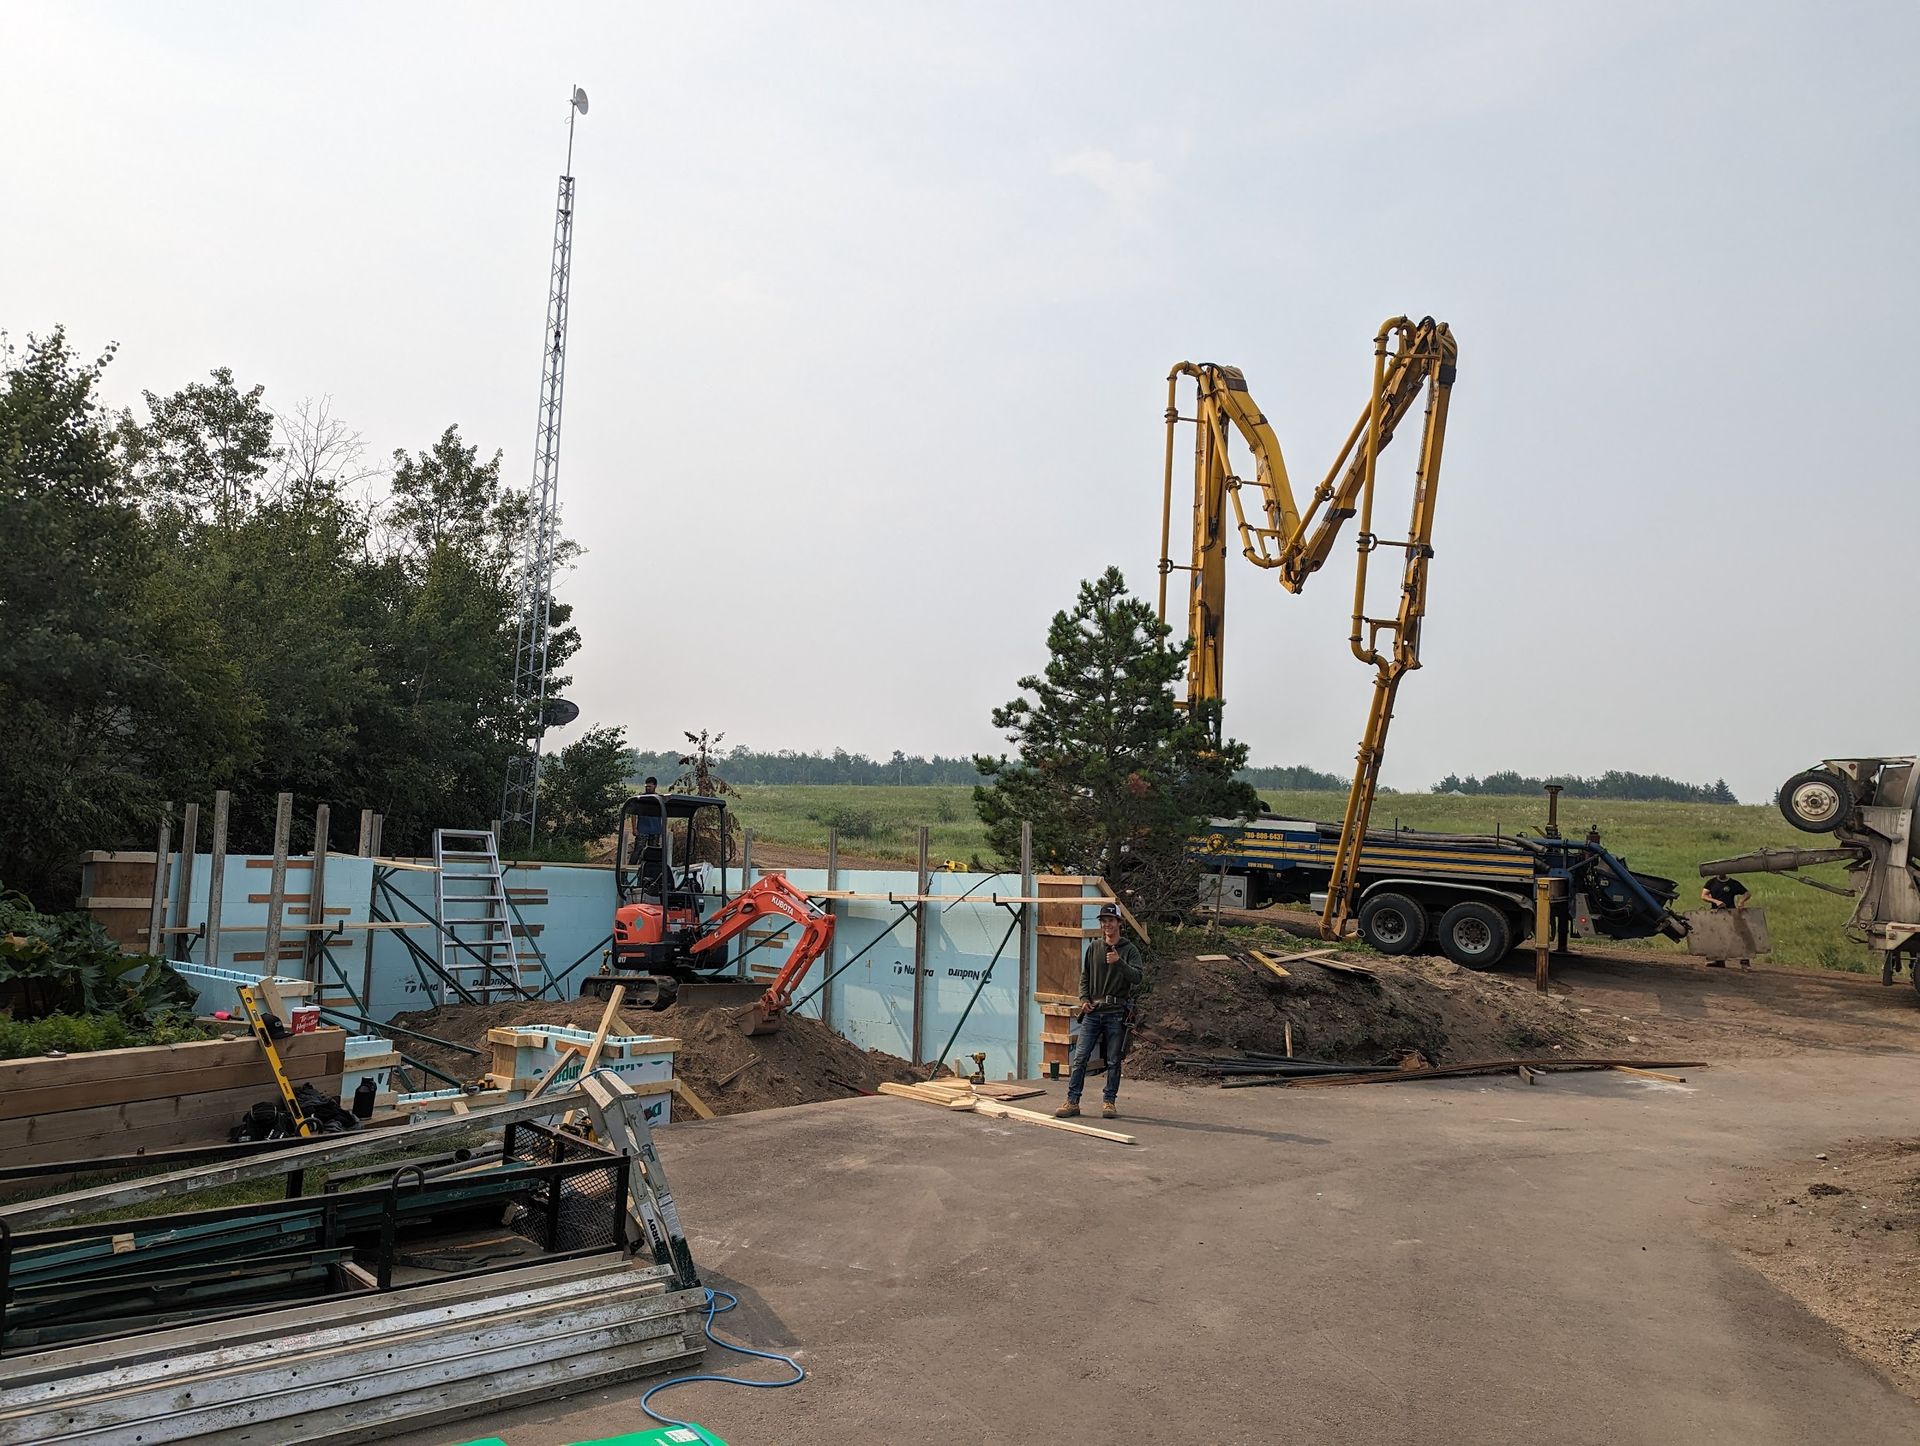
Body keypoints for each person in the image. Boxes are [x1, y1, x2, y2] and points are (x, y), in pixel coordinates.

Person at [1057, 903, 1143, 1120]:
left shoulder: (1129, 950)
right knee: (1080, 1058)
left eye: (1111, 920)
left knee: (1113, 1060)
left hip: (1116, 1012)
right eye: (1104, 921)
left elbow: (1137, 977)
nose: (1107, 924)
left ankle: (1109, 1102)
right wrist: (1084, 999)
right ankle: (1072, 1101)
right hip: (1093, 1011)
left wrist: (1119, 962)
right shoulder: (1094, 947)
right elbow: (1085, 976)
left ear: (1119, 923)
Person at [1701, 872, 1751, 968]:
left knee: (1738, 936)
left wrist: (1741, 901)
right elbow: (1704, 895)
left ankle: (1744, 961)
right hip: (1716, 913)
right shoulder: (1711, 882)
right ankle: (1719, 961)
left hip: (1731, 913)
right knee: (1718, 936)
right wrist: (1716, 901)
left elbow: (1747, 893)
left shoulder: (1732, 883)